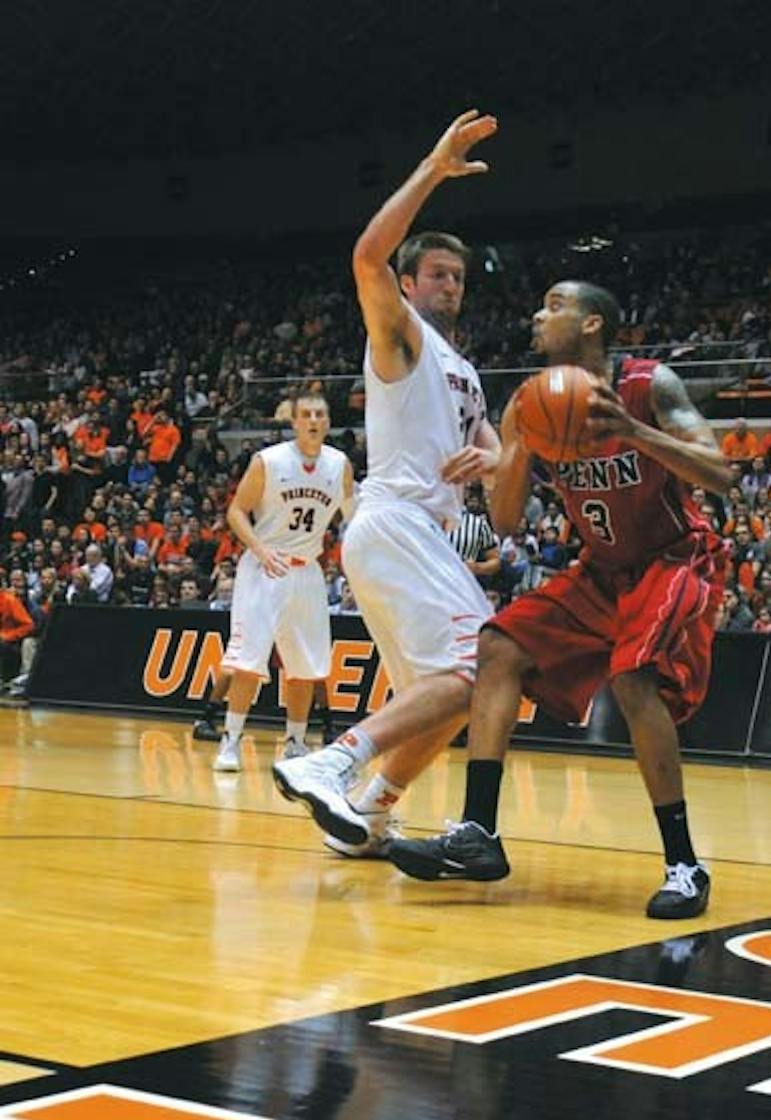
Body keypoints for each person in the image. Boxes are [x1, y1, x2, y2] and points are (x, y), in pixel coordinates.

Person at [389, 278, 732, 919]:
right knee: (498, 646)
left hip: (674, 555)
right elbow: (508, 521)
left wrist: (634, 431)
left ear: (594, 324)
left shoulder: (648, 385)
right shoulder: (527, 404)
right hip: (601, 568)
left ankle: (686, 865)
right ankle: (479, 836)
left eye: (553, 306)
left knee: (634, 680)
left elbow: (720, 474)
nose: (537, 315)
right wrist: (513, 457)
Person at [271, 110, 502, 856]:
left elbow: (491, 444)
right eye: (438, 273)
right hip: (394, 519)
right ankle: (331, 760)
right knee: (483, 666)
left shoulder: (463, 370)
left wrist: (492, 460)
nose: (451, 285)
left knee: (445, 699)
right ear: (409, 284)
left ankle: (371, 812)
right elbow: (366, 256)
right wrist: (435, 167)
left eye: (460, 277)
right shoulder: (400, 335)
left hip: (418, 537)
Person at [213, 394, 352, 771]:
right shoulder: (269, 461)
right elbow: (236, 511)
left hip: (307, 570)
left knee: (305, 665)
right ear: (293, 421)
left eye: (320, 414)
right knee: (247, 661)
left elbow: (352, 517)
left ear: (328, 422)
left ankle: (295, 742)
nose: (313, 420)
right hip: (265, 567)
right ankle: (230, 740)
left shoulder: (339, 465)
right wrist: (259, 549)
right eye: (305, 414)